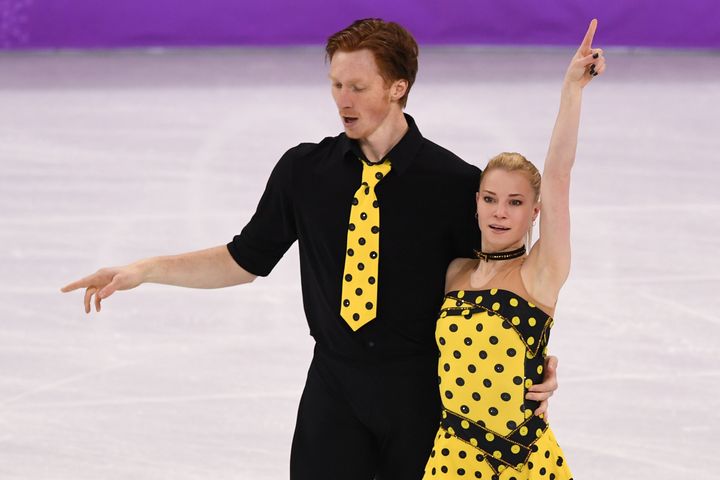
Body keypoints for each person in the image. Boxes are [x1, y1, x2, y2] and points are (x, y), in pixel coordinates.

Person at [60, 18, 560, 480]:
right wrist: (144, 270)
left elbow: (500, 280)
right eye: (336, 85)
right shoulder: (305, 172)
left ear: (398, 87)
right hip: (334, 388)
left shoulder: (455, 184)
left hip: (422, 397)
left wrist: (535, 357)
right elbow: (243, 260)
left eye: (358, 87)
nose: (343, 100)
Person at [422, 19, 605, 480]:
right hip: (452, 461)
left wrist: (572, 90)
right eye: (490, 199)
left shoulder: (540, 272)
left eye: (515, 202)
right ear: (477, 203)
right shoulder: (453, 273)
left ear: (534, 213)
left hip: (521, 461)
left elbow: (559, 176)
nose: (500, 213)